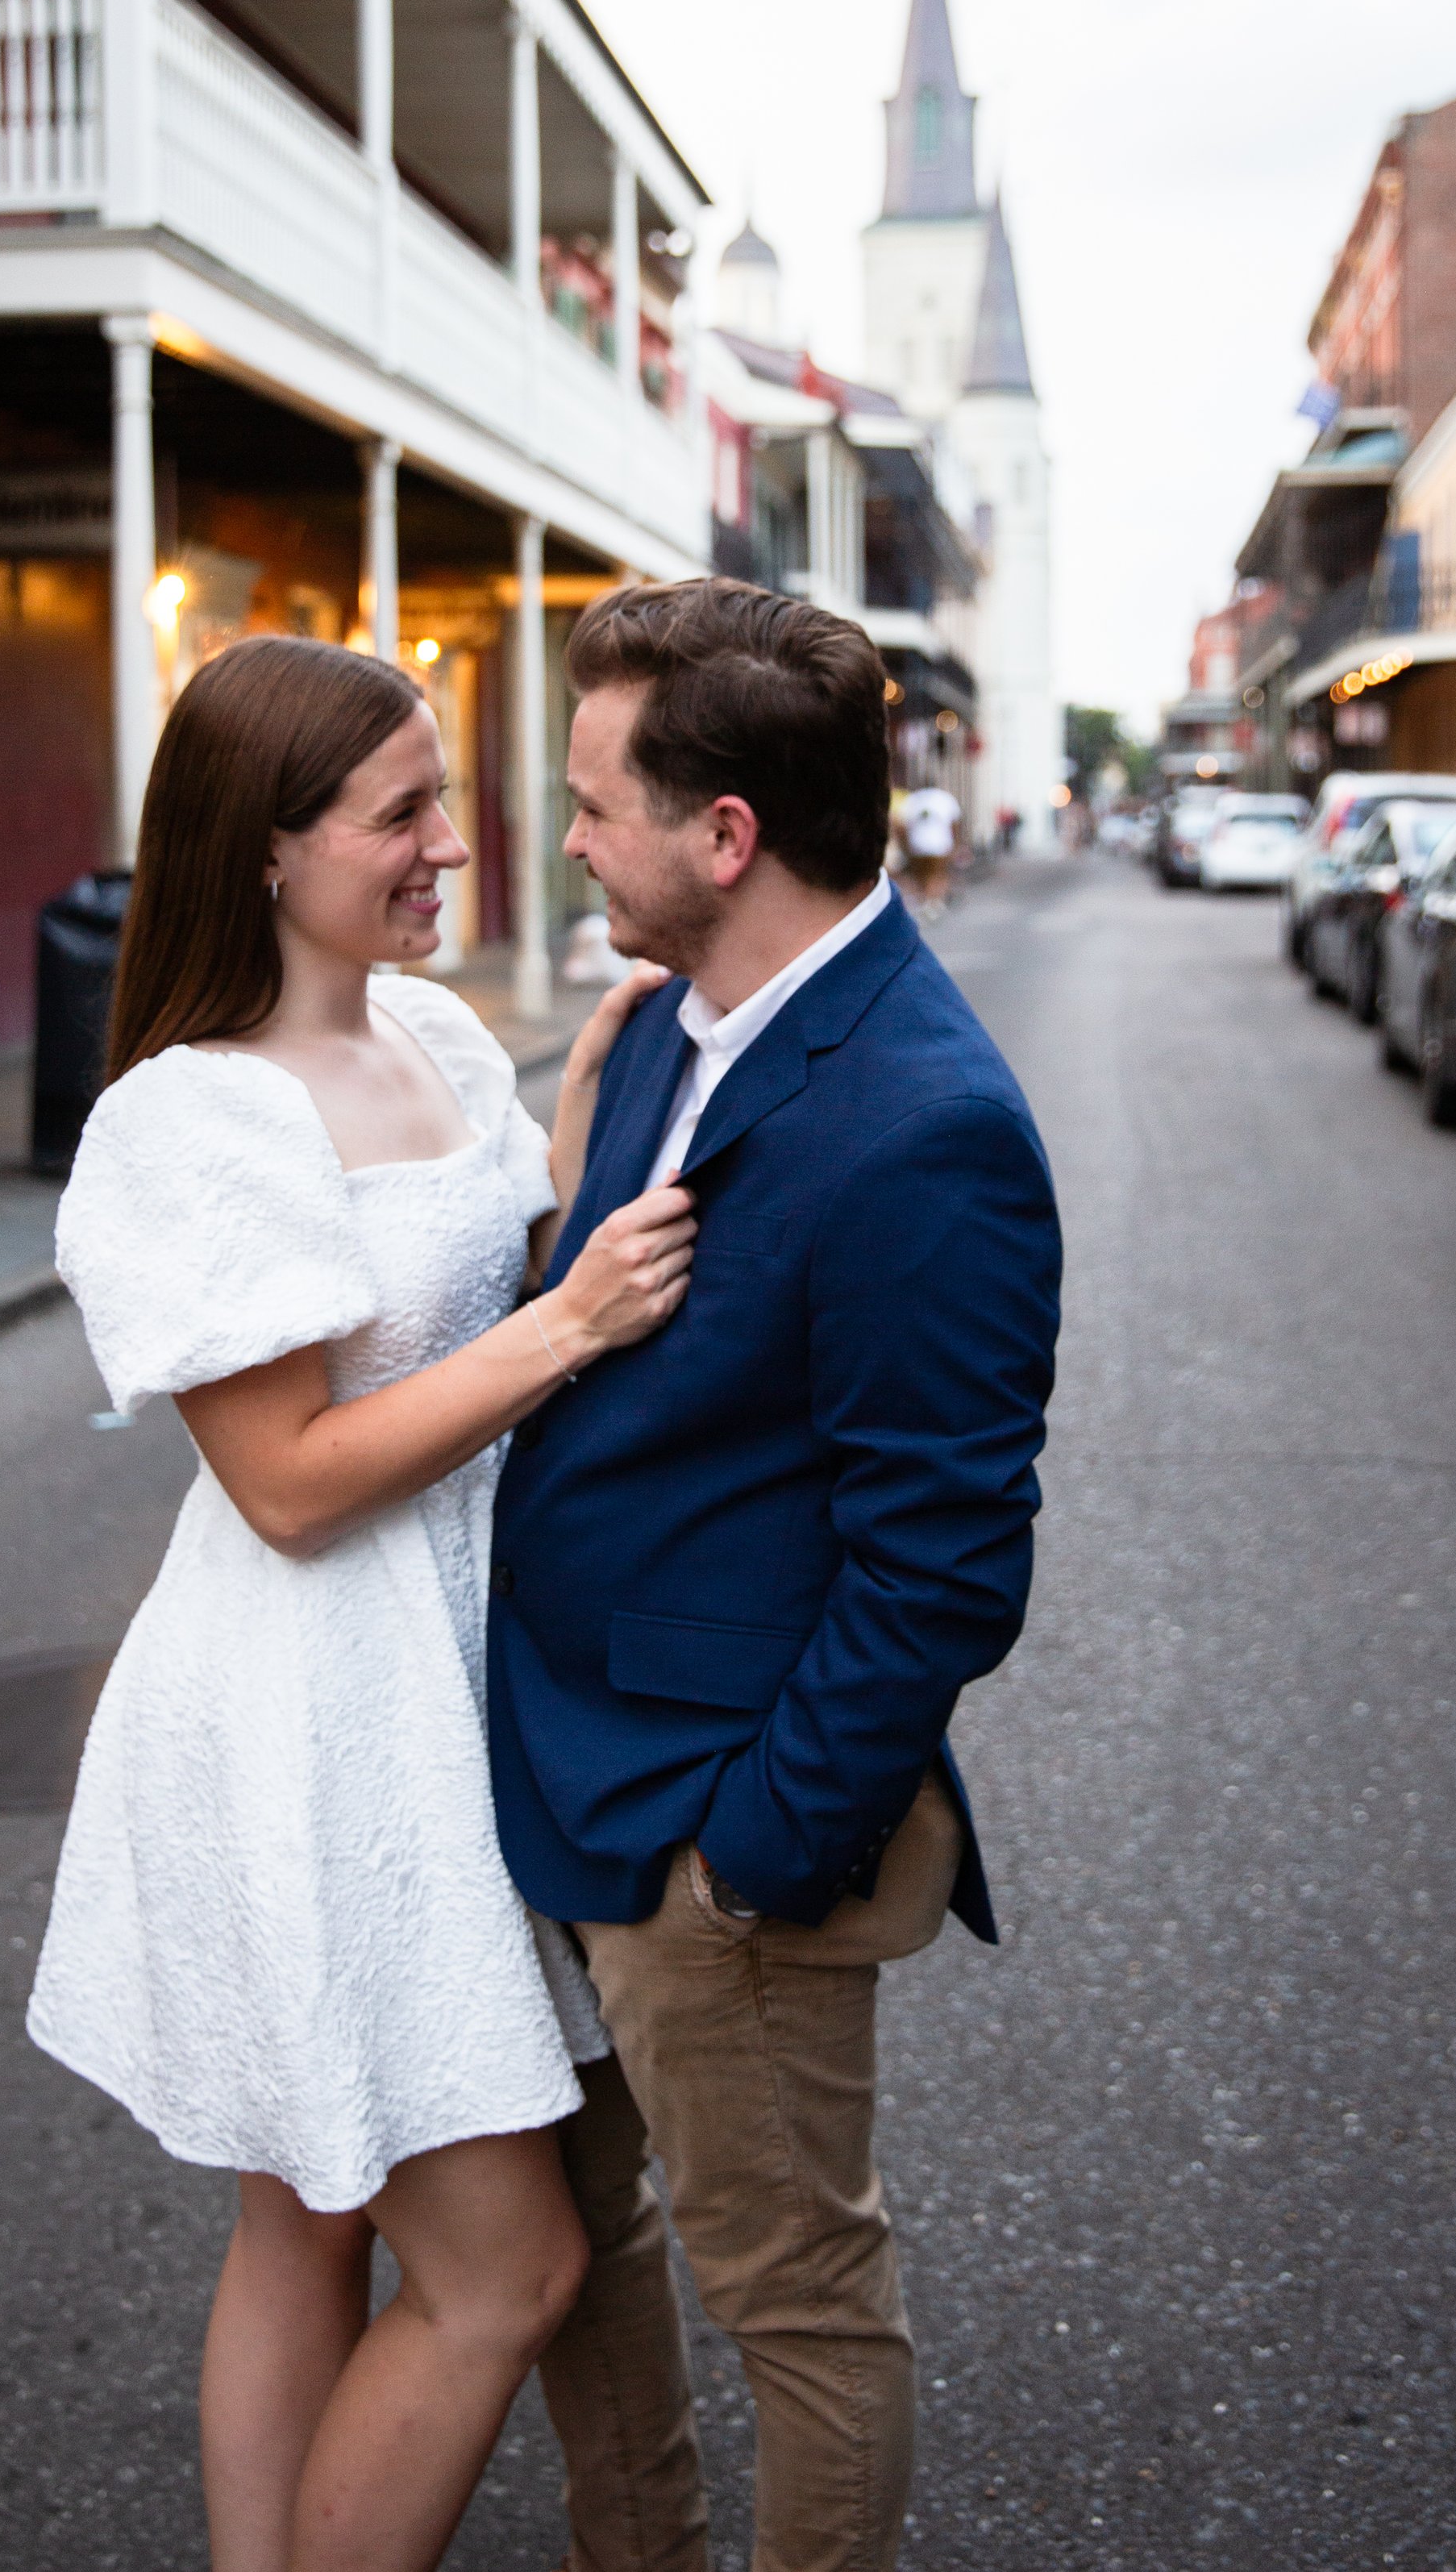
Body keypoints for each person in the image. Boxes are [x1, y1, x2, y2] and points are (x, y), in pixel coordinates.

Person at [27, 635, 696, 2572]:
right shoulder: (193, 1115)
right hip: (307, 1713)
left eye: (443, 802)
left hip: (441, 1676)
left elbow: (489, 1300)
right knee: (510, 2262)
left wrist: (578, 1120)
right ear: (267, 844)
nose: (452, 846)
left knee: (307, 2209)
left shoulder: (441, 1040)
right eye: (402, 811)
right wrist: (574, 1317)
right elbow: (292, 1476)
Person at [492, 578, 1062, 2572]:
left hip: (714, 1831)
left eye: (593, 801)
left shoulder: (928, 1122)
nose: (564, 834)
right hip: (560, 1776)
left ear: (722, 834)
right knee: (567, 2239)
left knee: (796, 2299)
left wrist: (759, 1845)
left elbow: (944, 1558)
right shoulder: (671, 1019)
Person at [897, 780, 961, 916]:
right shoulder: (945, 798)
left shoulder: (913, 799)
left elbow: (902, 825)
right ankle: (934, 902)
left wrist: (905, 845)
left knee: (922, 875)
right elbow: (954, 824)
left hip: (918, 845)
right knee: (937, 874)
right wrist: (955, 844)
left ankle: (927, 902)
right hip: (940, 844)